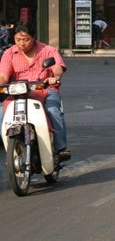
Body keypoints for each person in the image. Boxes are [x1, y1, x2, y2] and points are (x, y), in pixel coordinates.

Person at [0, 22, 71, 161]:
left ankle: (61, 148)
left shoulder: (48, 50)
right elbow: (3, 75)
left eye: (25, 39)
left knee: (53, 111)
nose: (22, 43)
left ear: (33, 37)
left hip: (44, 89)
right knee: (2, 114)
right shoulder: (9, 53)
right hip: (17, 92)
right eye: (18, 40)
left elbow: (57, 68)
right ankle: (9, 146)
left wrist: (54, 78)